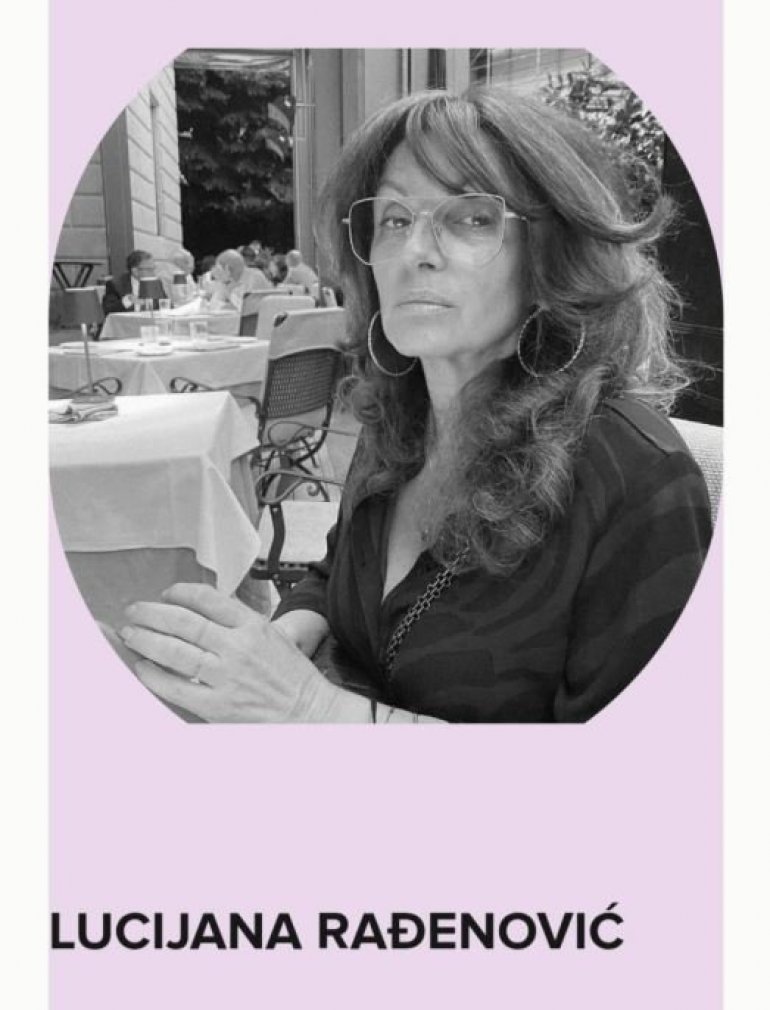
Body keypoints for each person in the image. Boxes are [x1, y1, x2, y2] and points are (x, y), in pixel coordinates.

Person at [120, 87, 713, 723]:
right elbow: (336, 574)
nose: (415, 252)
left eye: (472, 218)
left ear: (555, 255)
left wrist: (308, 706)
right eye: (395, 219)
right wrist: (280, 641)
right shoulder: (397, 421)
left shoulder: (638, 481)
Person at [102, 250, 165, 315]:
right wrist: (127, 301)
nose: (153, 273)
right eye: (149, 270)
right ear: (135, 271)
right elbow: (108, 310)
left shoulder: (156, 283)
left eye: (153, 268)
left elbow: (164, 304)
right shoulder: (116, 284)